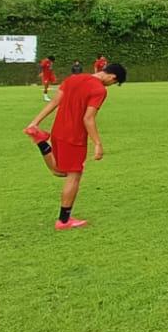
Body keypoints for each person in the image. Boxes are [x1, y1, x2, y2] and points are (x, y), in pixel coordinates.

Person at [24, 62, 128, 231]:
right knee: (74, 175)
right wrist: (98, 144)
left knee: (59, 170)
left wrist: (35, 123)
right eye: (114, 83)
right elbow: (88, 118)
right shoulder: (100, 90)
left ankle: (41, 140)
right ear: (112, 77)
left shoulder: (73, 79)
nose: (111, 84)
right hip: (74, 136)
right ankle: (64, 221)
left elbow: (54, 103)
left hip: (58, 130)